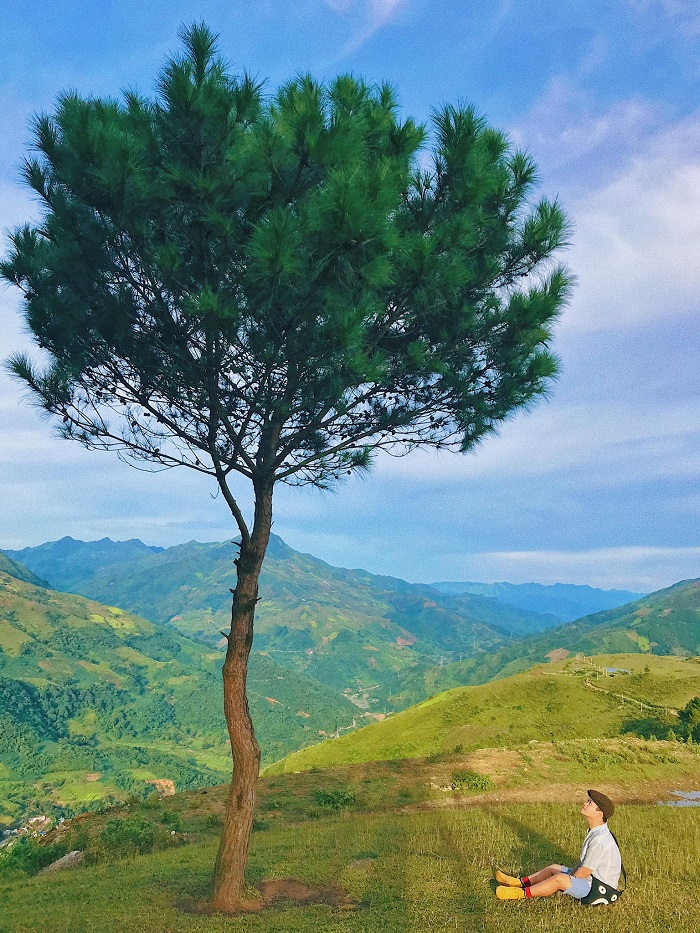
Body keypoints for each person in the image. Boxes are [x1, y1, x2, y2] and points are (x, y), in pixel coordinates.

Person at [494, 789, 622, 903]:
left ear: (599, 814)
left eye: (590, 803)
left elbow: (584, 872)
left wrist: (567, 881)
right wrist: (570, 876)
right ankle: (518, 883)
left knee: (558, 879)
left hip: (600, 890)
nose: (585, 803)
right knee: (553, 868)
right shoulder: (595, 831)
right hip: (592, 880)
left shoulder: (600, 839)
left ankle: (520, 894)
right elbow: (583, 862)